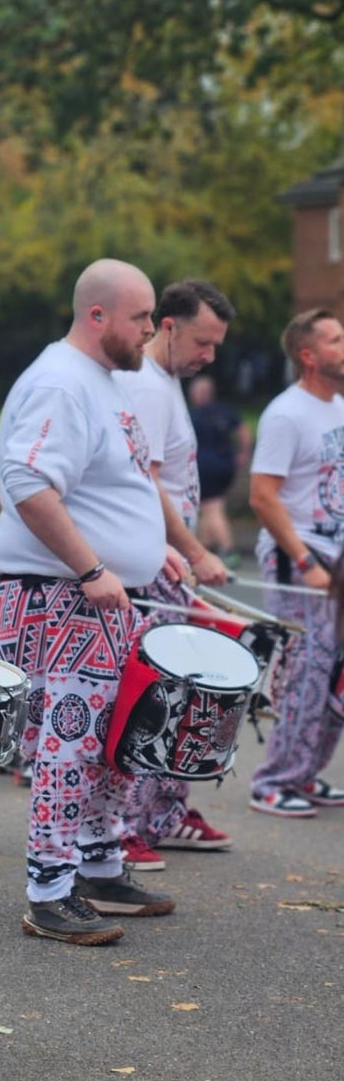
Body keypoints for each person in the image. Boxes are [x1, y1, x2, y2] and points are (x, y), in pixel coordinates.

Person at [0, 258, 177, 944]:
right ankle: (49, 890)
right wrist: (94, 566)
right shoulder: (61, 382)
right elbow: (28, 480)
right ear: (97, 316)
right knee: (70, 744)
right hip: (61, 596)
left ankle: (96, 866)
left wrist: (156, 549)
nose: (151, 330)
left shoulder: (98, 381)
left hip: (93, 595)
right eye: (140, 317)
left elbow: (110, 487)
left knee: (106, 742)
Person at [111, 279, 236, 867]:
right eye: (203, 342)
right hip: (161, 557)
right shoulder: (148, 387)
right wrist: (193, 550)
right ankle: (130, 824)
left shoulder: (164, 384)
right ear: (168, 325)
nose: (209, 356)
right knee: (160, 695)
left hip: (168, 556)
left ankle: (163, 810)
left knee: (184, 691)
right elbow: (149, 481)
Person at [247, 308, 344, 817]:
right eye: (335, 339)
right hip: (302, 557)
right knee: (308, 671)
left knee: (336, 676)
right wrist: (305, 561)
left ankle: (305, 774)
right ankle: (273, 780)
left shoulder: (339, 408)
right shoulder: (287, 414)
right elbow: (263, 497)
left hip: (338, 555)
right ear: (309, 356)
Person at [189, 373, 252, 564]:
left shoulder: (193, 416)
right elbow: (244, 432)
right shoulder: (225, 411)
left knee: (211, 507)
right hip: (226, 465)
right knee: (209, 507)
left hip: (205, 466)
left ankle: (228, 548)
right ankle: (203, 547)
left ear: (198, 394)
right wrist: (244, 454)